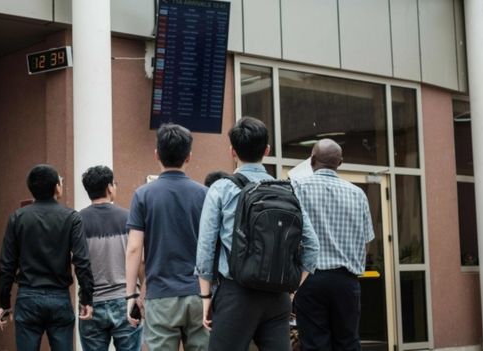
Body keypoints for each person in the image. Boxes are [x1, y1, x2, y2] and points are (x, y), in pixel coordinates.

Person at [196, 117, 319, 351]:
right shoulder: (288, 189)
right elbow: (312, 247)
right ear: (267, 150)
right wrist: (291, 287)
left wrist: (205, 298)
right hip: (278, 298)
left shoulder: (221, 188)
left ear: (232, 151)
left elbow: (206, 246)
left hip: (236, 294)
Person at [125, 123, 209, 350]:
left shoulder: (143, 195)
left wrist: (131, 294)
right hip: (199, 294)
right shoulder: (205, 194)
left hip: (160, 295)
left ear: (156, 155)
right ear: (189, 157)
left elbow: (134, 249)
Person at [0, 164, 94, 351]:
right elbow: (82, 261)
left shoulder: (17, 218)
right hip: (59, 298)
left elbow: (7, 264)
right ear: (57, 187)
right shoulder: (71, 218)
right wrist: (86, 299)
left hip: (27, 298)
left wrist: (4, 302)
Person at [292, 138, 375, 350]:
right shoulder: (358, 194)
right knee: (348, 342)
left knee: (314, 343)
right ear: (340, 162)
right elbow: (366, 242)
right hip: (347, 282)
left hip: (309, 279)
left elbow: (290, 236)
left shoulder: (297, 187)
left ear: (312, 160)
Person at [78, 165, 143, 351]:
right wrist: (140, 292)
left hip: (92, 302)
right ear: (109, 187)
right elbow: (140, 259)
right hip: (126, 300)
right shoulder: (129, 218)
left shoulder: (77, 221)